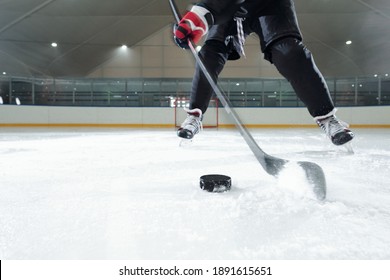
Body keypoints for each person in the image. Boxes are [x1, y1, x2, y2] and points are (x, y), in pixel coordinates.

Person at [173, 0, 354, 146]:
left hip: (270, 4)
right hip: (230, 9)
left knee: (289, 52)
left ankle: (327, 118)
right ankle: (194, 116)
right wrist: (192, 23)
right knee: (209, 54)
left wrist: (198, 17)